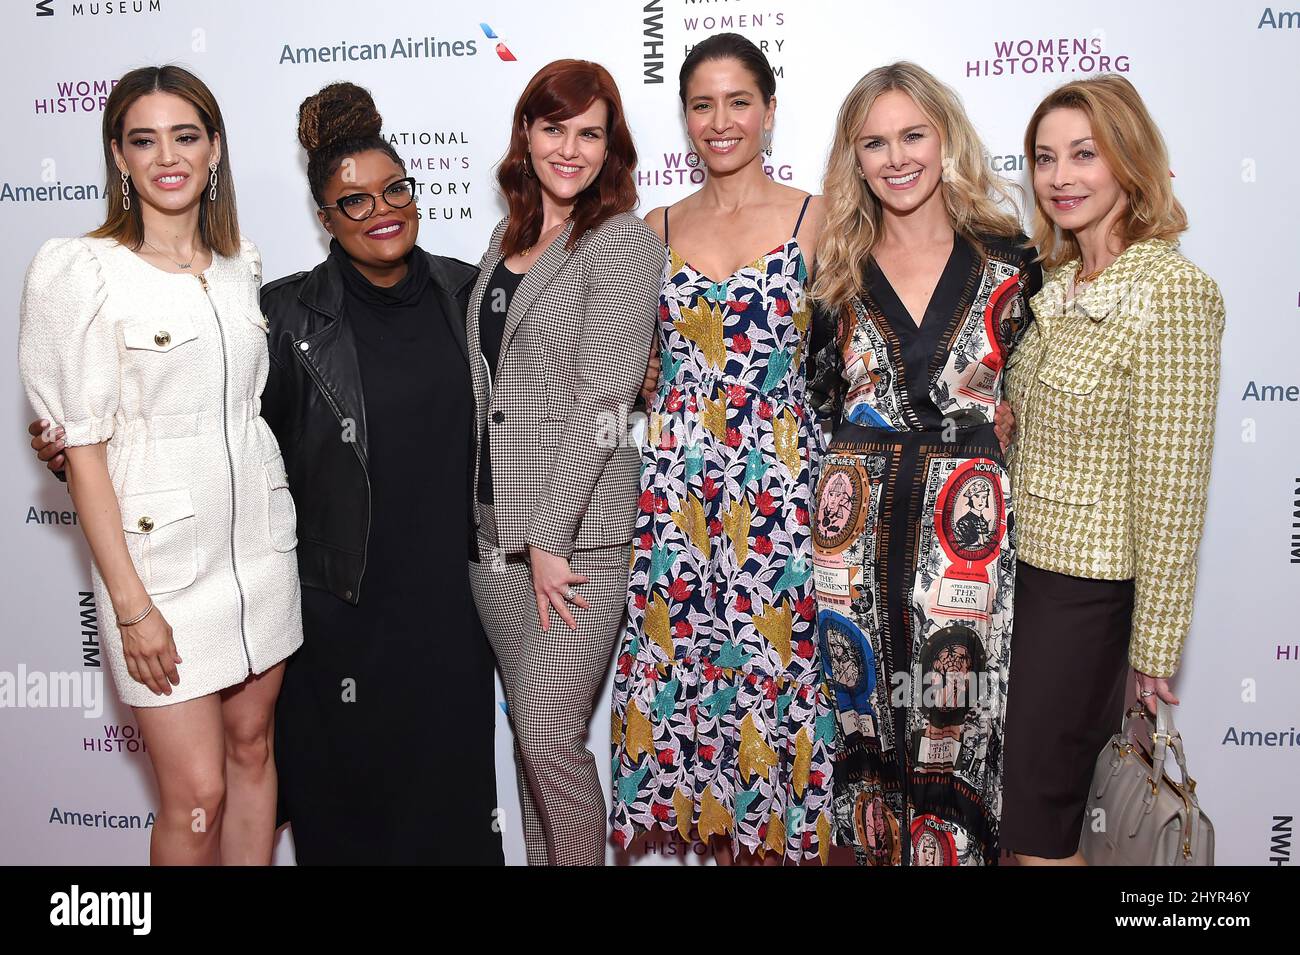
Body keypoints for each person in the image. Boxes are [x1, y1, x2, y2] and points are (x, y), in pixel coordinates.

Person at [18, 65, 302, 865]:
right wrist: (132, 606)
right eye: (144, 139)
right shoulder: (82, 270)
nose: (167, 156)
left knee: (253, 756)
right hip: (160, 570)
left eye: (186, 136)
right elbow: (83, 449)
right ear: (119, 156)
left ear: (214, 150)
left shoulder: (240, 263)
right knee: (196, 795)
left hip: (259, 555)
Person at [259, 82, 502, 864]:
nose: (382, 209)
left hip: (451, 611)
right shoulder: (285, 318)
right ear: (325, 219)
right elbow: (209, 433)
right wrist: (82, 439)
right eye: (353, 202)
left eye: (394, 188)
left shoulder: (471, 293)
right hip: (340, 615)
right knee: (347, 820)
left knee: (454, 814)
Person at [609, 33, 836, 865]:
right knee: (692, 681)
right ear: (686, 119)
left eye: (739, 101)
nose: (721, 120)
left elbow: (859, 363)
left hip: (782, 499)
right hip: (679, 500)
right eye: (702, 104)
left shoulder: (822, 217)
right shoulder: (652, 227)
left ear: (770, 110)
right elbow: (629, 369)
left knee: (777, 681)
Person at [806, 62, 1040, 866]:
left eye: (913, 135)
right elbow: (815, 401)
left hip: (965, 544)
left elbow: (1041, 391)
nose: (896, 157)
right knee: (865, 750)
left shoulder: (1014, 262)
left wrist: (1007, 425)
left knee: (955, 734)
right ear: (854, 159)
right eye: (874, 142)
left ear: (946, 138)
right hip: (852, 543)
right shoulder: (834, 270)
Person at [999, 74, 1224, 866]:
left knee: (1042, 824)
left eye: (1084, 155)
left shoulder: (1172, 292)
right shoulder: (1055, 286)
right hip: (1014, 582)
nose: (1060, 176)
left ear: (1129, 161)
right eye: (1045, 157)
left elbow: (1173, 483)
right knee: (1030, 814)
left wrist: (1155, 645)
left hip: (1086, 597)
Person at [464, 59, 663, 865]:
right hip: (491, 541)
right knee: (530, 750)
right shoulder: (504, 240)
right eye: (555, 128)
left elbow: (605, 398)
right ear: (527, 133)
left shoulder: (620, 243)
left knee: (549, 735)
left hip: (574, 543)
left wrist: (550, 536)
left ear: (611, 145)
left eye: (591, 132)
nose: (571, 148)